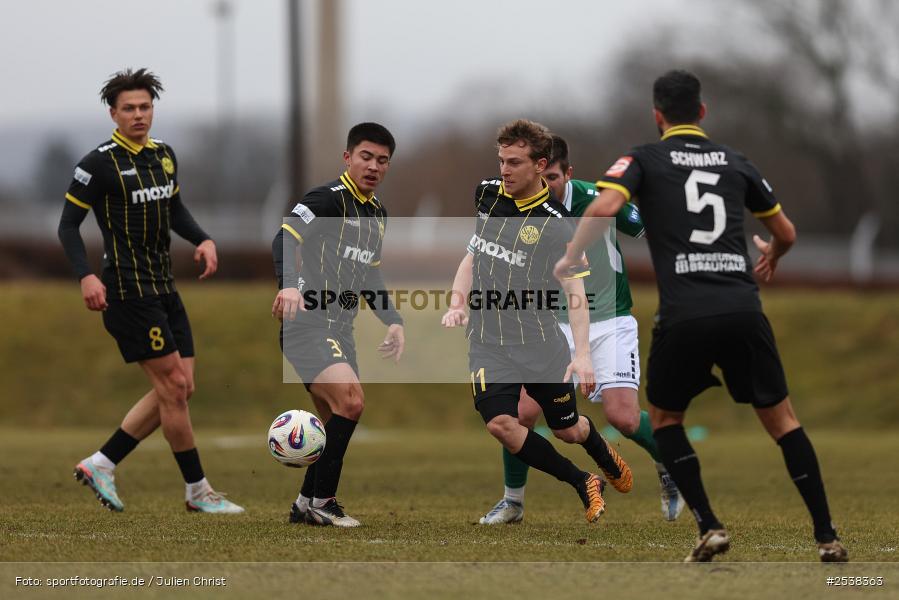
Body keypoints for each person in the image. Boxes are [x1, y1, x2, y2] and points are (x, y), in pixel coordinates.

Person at [555, 70, 847, 562]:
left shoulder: (644, 158)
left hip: (685, 314)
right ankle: (827, 536)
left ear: (657, 115)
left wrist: (571, 256)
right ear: (703, 112)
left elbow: (604, 205)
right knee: (784, 423)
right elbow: (788, 232)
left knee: (666, 420)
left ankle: (709, 525)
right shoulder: (736, 162)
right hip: (742, 309)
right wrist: (772, 252)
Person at [58, 68, 243, 514]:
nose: (139, 115)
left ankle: (102, 462)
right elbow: (68, 225)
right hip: (126, 290)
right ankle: (198, 491)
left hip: (164, 287)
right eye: (129, 109)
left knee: (181, 389)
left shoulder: (163, 155)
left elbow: (174, 207)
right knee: (174, 387)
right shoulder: (98, 164)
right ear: (113, 113)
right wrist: (86, 275)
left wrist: (202, 238)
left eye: (145, 107)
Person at [478, 135, 684, 525]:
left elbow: (653, 231)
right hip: (551, 323)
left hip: (610, 319)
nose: (549, 185)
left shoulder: (599, 199)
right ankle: (513, 502)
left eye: (555, 177)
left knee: (623, 417)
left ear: (565, 173)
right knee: (521, 413)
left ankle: (667, 465)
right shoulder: (521, 207)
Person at [442, 119, 632, 524]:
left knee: (567, 430)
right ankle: (583, 482)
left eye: (514, 162)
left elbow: (576, 294)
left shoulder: (557, 226)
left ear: (539, 164)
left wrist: (581, 355)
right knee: (501, 425)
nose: (504, 171)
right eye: (501, 161)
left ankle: (598, 449)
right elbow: (474, 255)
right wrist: (458, 302)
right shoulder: (487, 195)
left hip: (541, 344)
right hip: (487, 341)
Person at [272, 122, 405, 528]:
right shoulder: (327, 200)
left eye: (382, 160)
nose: (374, 166)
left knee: (333, 421)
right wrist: (289, 286)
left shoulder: (378, 214)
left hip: (341, 329)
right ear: (348, 157)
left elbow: (370, 276)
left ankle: (304, 503)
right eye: (366, 156)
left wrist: (393, 320)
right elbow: (284, 238)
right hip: (309, 324)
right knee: (351, 403)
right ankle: (323, 502)